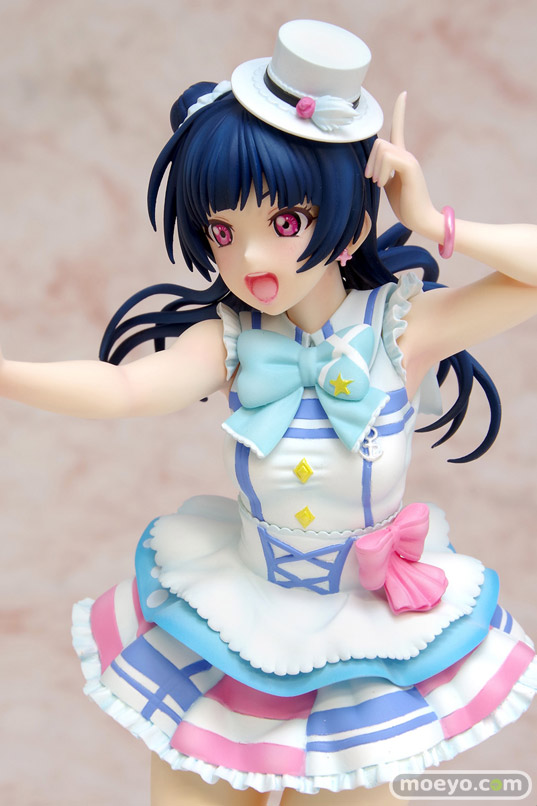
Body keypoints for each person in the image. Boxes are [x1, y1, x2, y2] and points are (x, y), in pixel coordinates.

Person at [2, 19, 537, 806]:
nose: (250, 258)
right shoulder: (230, 338)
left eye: (284, 224)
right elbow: (125, 389)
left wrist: (430, 221)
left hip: (363, 638)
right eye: (224, 231)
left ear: (348, 219)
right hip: (238, 624)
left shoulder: (400, 328)